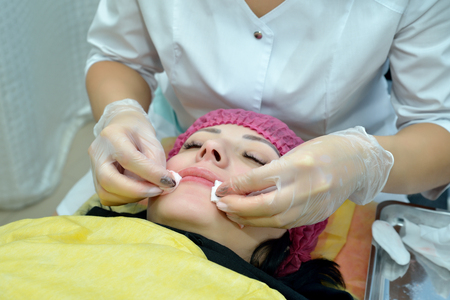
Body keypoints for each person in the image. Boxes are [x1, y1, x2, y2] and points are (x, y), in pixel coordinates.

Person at [85, 0, 450, 228]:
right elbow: (117, 55)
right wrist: (119, 114)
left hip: (353, 171)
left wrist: (361, 164)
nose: (209, 152)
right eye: (194, 145)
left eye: (254, 157)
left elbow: (438, 123)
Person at [85, 108, 353, 299]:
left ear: (291, 231)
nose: (209, 146)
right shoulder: (82, 233)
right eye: (192, 144)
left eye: (254, 158)